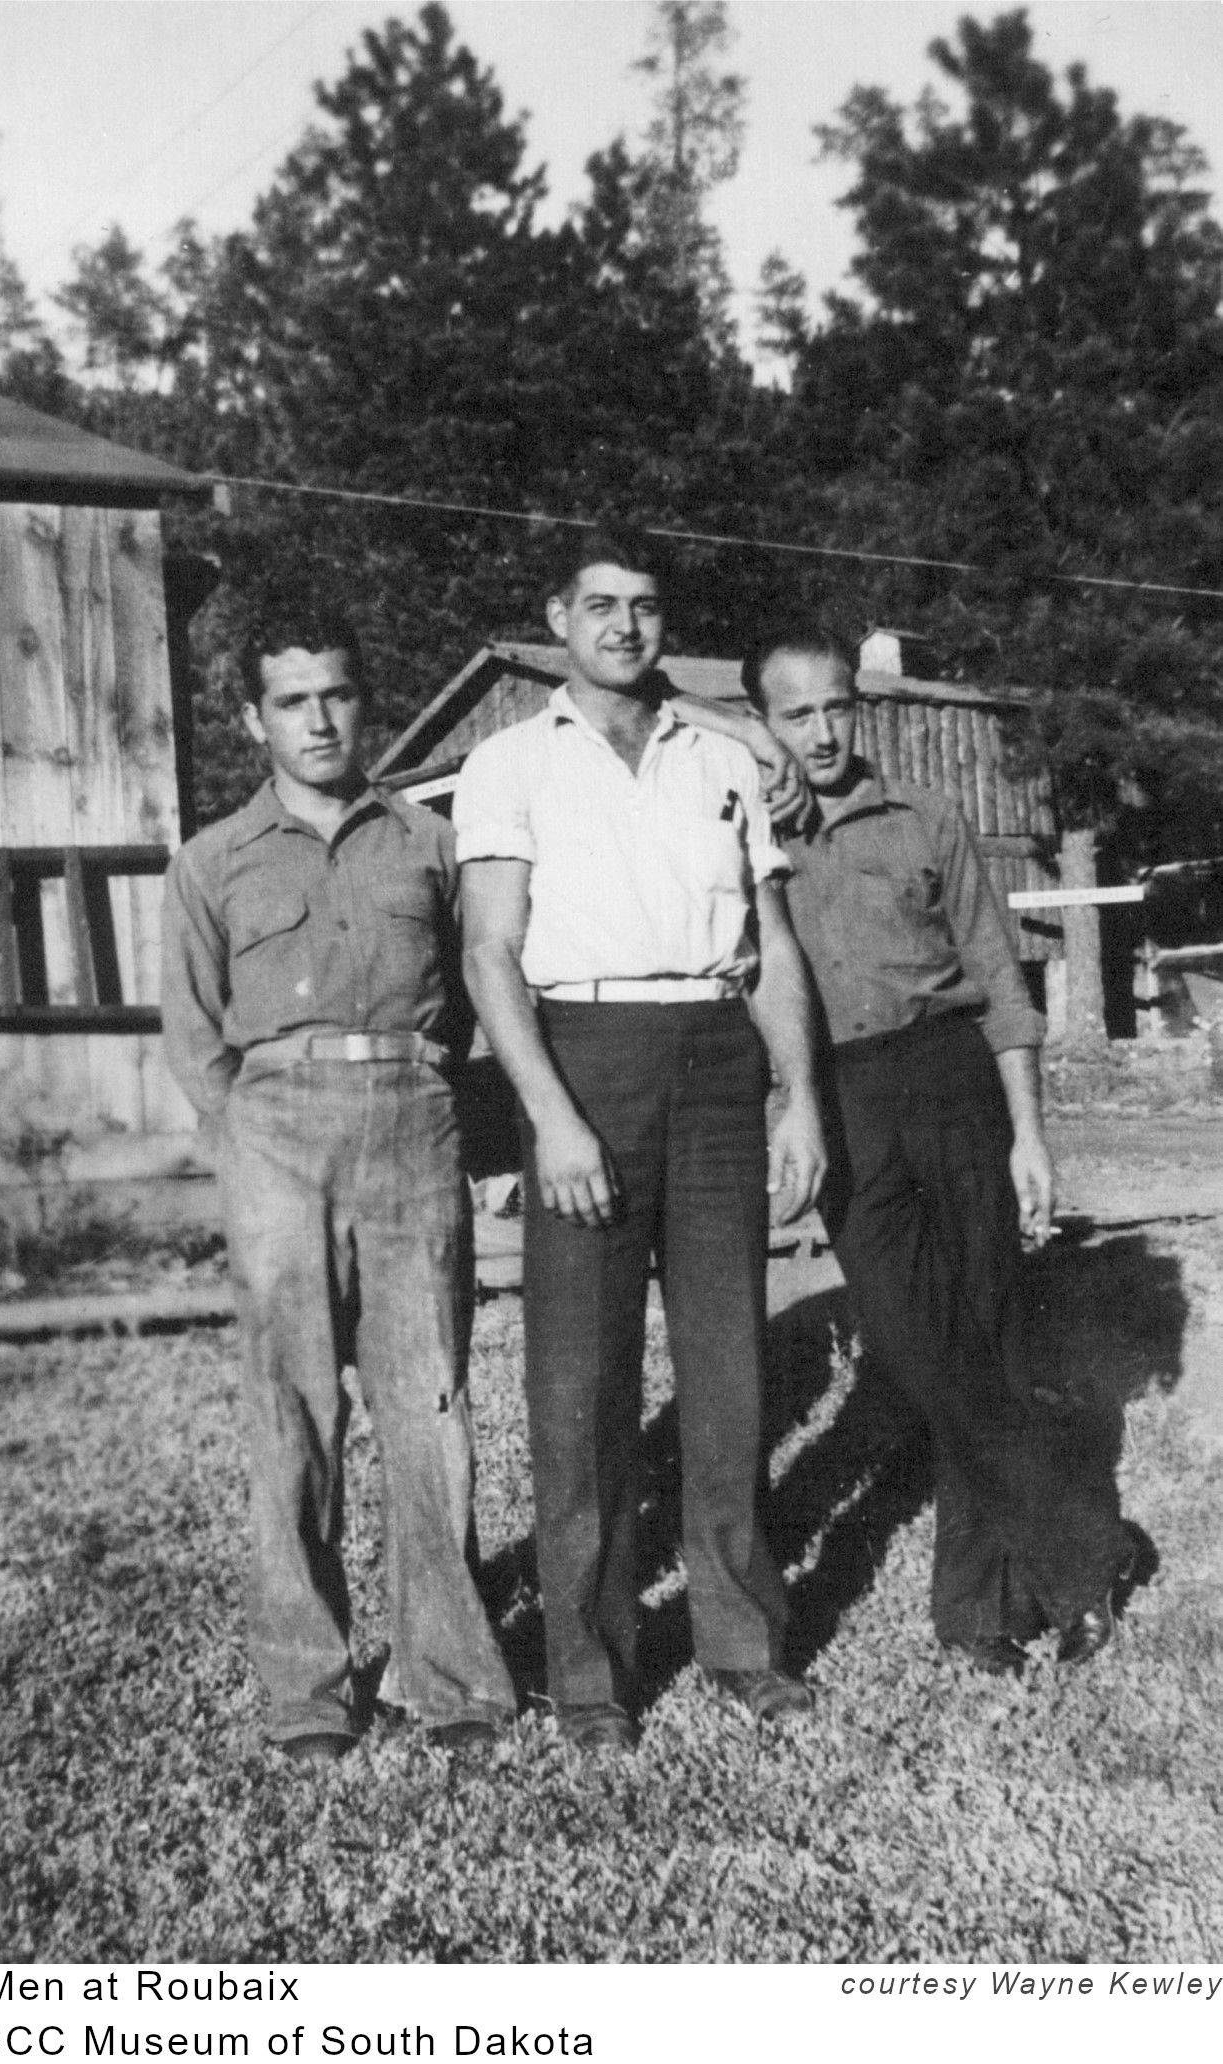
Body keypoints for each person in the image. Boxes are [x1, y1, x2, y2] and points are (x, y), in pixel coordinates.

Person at [693, 619, 1131, 1674]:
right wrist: (745, 752)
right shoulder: (743, 836)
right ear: (762, 725)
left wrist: (1026, 1133)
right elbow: (652, 702)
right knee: (919, 1346)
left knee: (983, 1336)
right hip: (836, 1098)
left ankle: (976, 1612)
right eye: (793, 714)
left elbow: (999, 984)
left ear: (860, 706)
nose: (822, 731)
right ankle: (1081, 1549)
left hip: (950, 1083)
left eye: (836, 706)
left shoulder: (926, 818)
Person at [453, 527, 829, 1751]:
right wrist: (549, 1117)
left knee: (728, 1371)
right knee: (581, 1387)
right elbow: (489, 954)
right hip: (585, 1060)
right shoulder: (507, 763)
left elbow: (770, 946)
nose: (623, 626)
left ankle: (738, 1641)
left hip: (716, 1062)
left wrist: (802, 1100)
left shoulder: (720, 757)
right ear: (556, 616)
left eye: (646, 607)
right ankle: (592, 1673)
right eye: (599, 606)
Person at [161, 609, 515, 1762]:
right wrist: (253, 1143)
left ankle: (450, 1676)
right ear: (252, 719)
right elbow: (193, 1035)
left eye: (338, 695)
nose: (319, 719)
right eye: (292, 700)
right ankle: (308, 1690)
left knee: (431, 1407)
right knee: (292, 1416)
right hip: (275, 1136)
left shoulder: (428, 842)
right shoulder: (211, 860)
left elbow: (470, 998)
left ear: (365, 702)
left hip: (411, 1126)